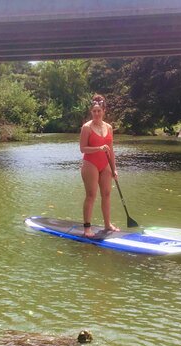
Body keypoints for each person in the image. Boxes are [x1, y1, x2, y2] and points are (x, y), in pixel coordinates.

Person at [79, 94, 118, 238]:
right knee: (91, 195)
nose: (96, 113)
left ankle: (107, 224)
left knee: (106, 194)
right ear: (91, 112)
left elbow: (111, 150)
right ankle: (87, 228)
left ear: (103, 111)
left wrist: (114, 169)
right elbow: (82, 149)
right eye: (94, 111)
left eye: (99, 111)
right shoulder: (86, 128)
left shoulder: (109, 127)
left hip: (105, 164)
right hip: (90, 164)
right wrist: (98, 148)